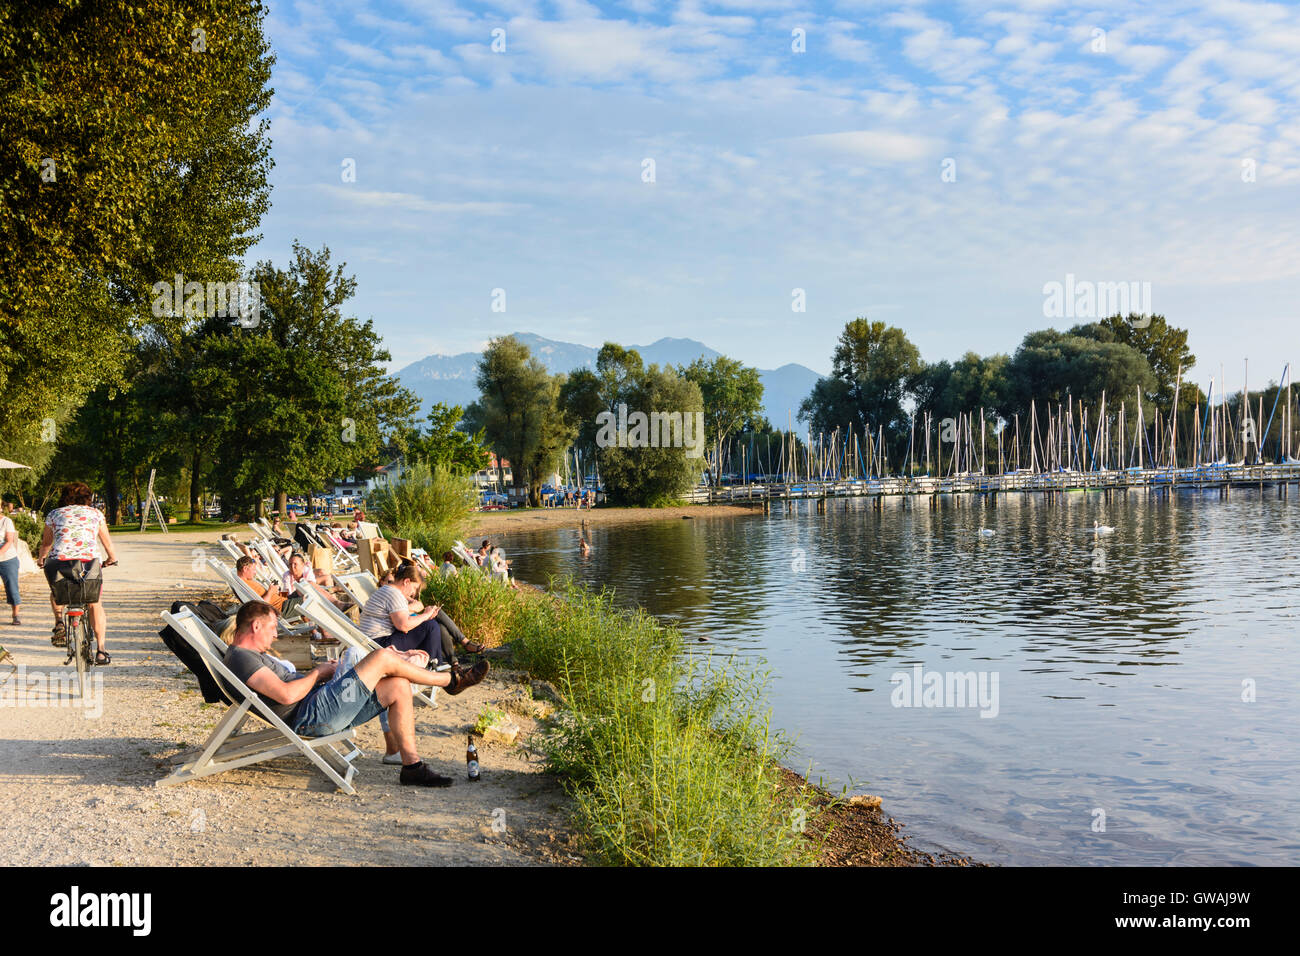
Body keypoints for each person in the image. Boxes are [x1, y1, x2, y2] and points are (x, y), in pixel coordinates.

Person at [222, 600, 488, 786]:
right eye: (272, 628)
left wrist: (324, 673)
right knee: (382, 657)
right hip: (313, 716)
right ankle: (450, 680)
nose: (276, 635)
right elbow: (286, 696)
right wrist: (319, 672)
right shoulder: (242, 659)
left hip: (323, 704)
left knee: (397, 685)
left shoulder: (249, 656)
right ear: (256, 627)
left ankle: (412, 767)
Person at [37, 481, 119, 663]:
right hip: (88, 563)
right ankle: (101, 650)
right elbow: (106, 541)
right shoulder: (96, 514)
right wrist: (111, 558)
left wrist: (41, 558)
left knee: (56, 591)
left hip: (60, 562)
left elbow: (46, 544)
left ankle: (59, 622)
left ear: (64, 497)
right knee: (95, 602)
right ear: (87, 498)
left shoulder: (54, 514)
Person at [0, 507, 21, 624]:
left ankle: (15, 615)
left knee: (12, 588)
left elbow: (9, 541)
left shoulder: (6, 521)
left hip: (7, 559)